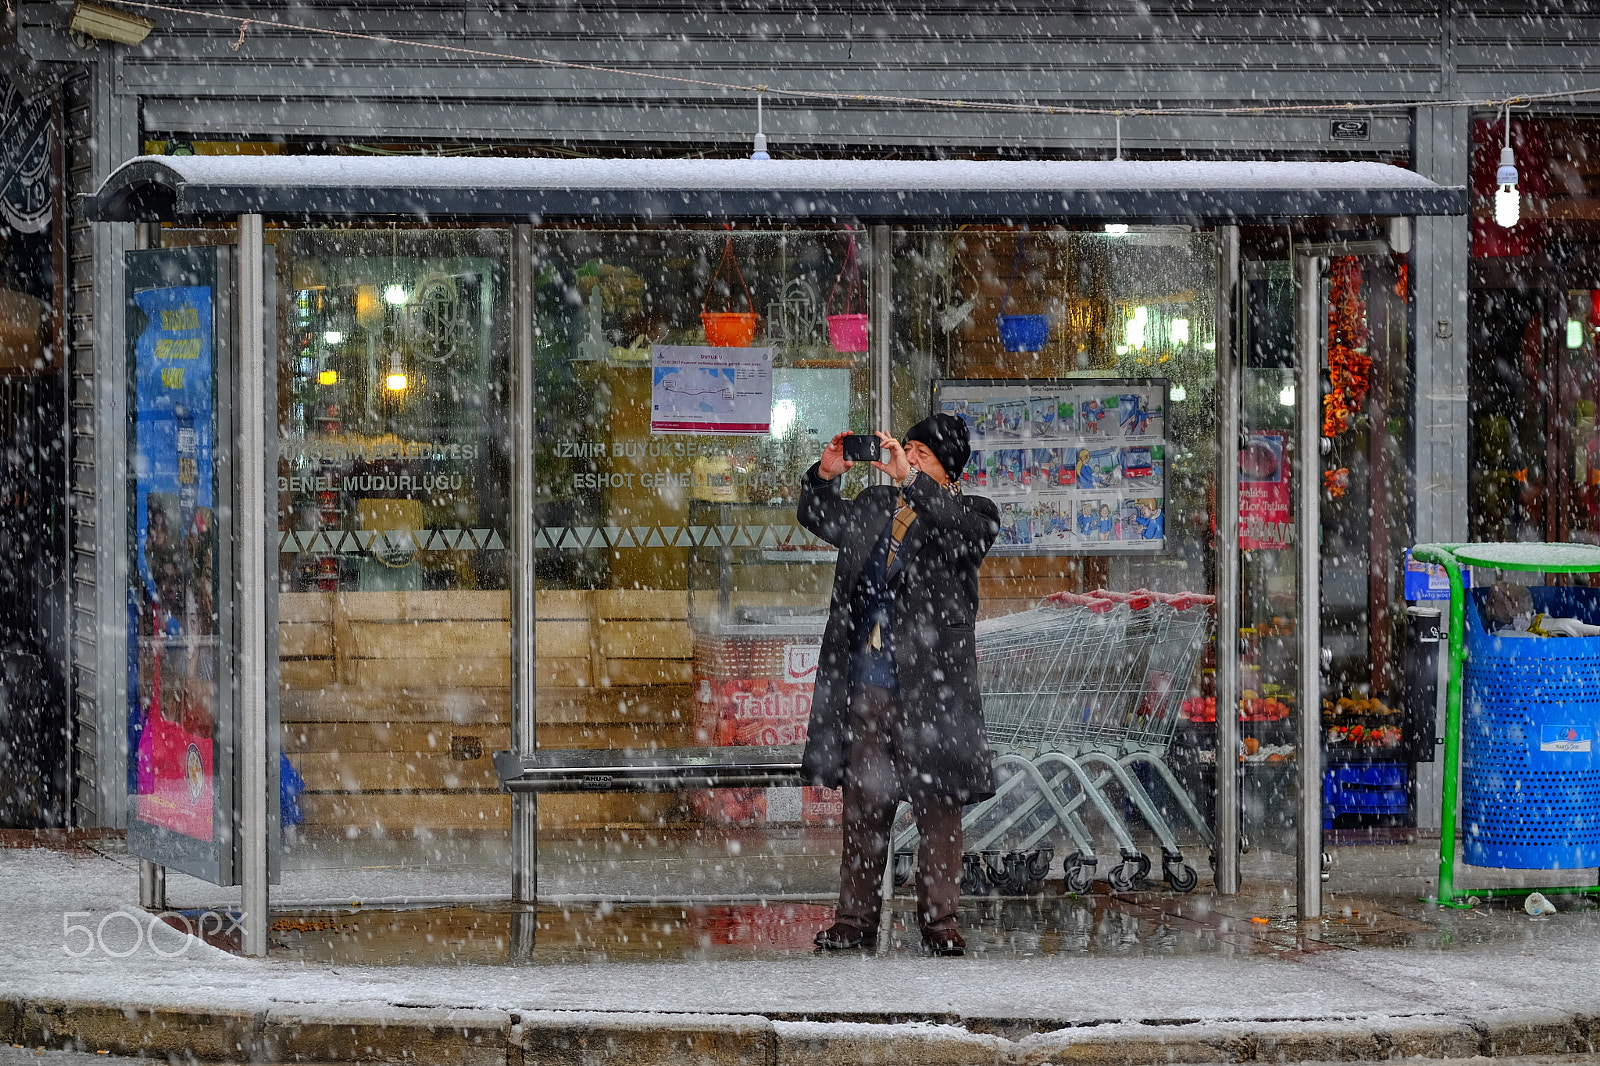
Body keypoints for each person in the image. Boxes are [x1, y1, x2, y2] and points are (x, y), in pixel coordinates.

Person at [797, 413, 1000, 956]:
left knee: (938, 809)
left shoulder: (971, 513)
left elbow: (964, 531)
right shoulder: (873, 506)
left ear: (948, 472)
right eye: (905, 450)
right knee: (864, 804)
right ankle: (855, 918)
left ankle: (939, 922)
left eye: (922, 455)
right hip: (870, 684)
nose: (906, 460)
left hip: (935, 691)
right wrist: (824, 474)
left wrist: (913, 482)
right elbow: (818, 516)